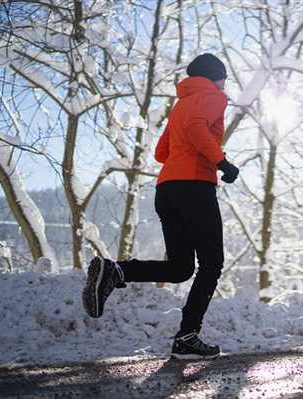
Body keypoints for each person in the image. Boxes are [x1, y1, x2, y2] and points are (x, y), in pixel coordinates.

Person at [81, 53, 239, 360]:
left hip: (167, 189)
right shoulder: (214, 97)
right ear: (214, 75)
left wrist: (192, 156)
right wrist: (222, 162)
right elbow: (196, 128)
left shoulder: (181, 103)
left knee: (181, 268)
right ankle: (187, 337)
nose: (225, 83)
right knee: (212, 263)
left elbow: (161, 151)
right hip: (194, 187)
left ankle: (116, 271)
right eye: (224, 77)